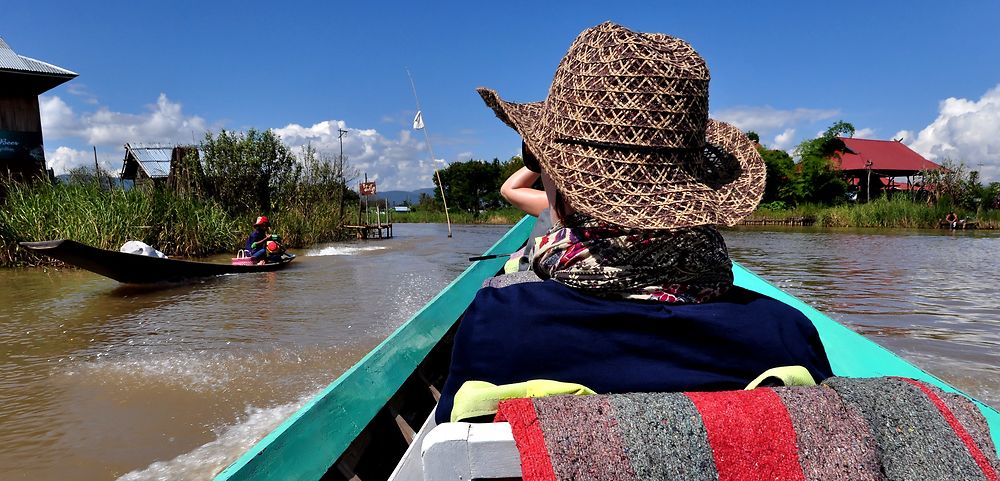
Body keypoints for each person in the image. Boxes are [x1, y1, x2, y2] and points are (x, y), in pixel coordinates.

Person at [435, 22, 833, 423]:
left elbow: (451, 433)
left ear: (562, 178)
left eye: (540, 159)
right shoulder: (788, 333)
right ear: (698, 191)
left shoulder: (500, 320)